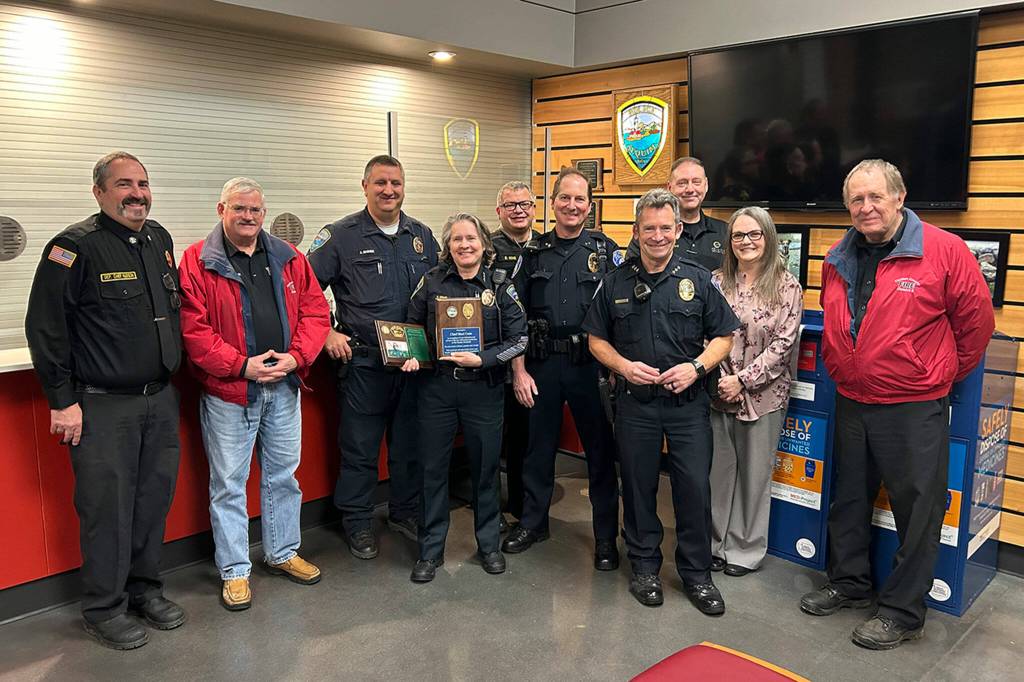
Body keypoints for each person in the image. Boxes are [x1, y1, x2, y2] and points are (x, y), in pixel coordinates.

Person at [800, 159, 994, 649]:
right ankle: (849, 583)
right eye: (856, 200)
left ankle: (903, 612)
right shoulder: (837, 257)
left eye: (875, 197)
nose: (866, 208)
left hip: (912, 407)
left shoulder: (945, 252)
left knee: (918, 511)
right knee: (847, 500)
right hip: (852, 398)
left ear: (899, 197)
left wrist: (935, 374)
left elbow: (976, 327)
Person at [25, 152, 185, 650]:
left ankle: (145, 590)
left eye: (143, 183)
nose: (137, 193)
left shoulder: (158, 238)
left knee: (151, 503)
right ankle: (103, 607)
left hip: (158, 400)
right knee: (107, 510)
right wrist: (61, 399)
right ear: (99, 192)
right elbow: (45, 327)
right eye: (124, 184)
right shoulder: (72, 248)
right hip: (101, 406)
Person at [583, 188, 739, 613]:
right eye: (648, 228)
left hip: (688, 405)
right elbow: (595, 339)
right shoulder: (614, 282)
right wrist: (622, 366)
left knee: (693, 489)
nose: (657, 236)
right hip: (635, 405)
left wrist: (697, 368)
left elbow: (724, 336)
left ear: (677, 229)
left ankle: (697, 575)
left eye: (665, 228)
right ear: (636, 231)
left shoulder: (699, 278)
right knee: (637, 488)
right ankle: (645, 568)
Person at [178, 177, 331, 611]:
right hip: (230, 393)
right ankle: (235, 571)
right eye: (239, 209)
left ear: (264, 214)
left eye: (256, 210)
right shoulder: (196, 261)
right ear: (221, 209)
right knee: (228, 484)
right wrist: (240, 366)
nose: (248, 217)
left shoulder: (287, 257)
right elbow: (194, 329)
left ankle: (282, 552)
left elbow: (316, 312)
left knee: (284, 476)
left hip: (284, 387)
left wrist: (296, 357)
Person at [307, 155, 439, 559]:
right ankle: (358, 523)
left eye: (395, 183)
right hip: (364, 365)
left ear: (404, 186)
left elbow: (440, 290)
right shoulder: (340, 236)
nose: (388, 190)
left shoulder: (422, 235)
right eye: (380, 182)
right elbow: (304, 289)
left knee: (408, 447)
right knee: (360, 449)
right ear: (364, 185)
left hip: (414, 364)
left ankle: (404, 511)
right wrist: (326, 332)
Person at [503, 167, 621, 571]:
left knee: (601, 454)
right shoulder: (531, 254)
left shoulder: (607, 252)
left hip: (592, 367)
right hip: (542, 364)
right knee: (537, 450)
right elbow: (513, 318)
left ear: (590, 206)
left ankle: (606, 538)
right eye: (564, 198)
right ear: (552, 203)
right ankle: (533, 523)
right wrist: (518, 371)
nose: (572, 206)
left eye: (580, 199)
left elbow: (622, 315)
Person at [401, 213, 528, 582]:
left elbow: (519, 339)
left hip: (483, 390)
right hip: (436, 390)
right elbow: (411, 329)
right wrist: (410, 354)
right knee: (432, 472)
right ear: (448, 246)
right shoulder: (431, 282)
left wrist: (484, 359)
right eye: (456, 239)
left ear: (484, 244)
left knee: (486, 471)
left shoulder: (500, 285)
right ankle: (430, 552)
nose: (464, 245)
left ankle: (489, 545)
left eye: (471, 238)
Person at [709, 206, 803, 577]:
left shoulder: (787, 285)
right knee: (718, 474)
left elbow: (783, 345)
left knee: (754, 477)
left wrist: (742, 380)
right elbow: (705, 333)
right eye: (738, 235)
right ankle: (714, 543)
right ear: (729, 242)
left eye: (754, 234)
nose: (746, 242)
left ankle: (744, 550)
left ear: (768, 237)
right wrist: (721, 378)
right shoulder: (716, 282)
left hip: (764, 396)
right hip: (718, 392)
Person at [491, 181, 540, 528]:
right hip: (495, 357)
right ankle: (491, 509)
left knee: (528, 435)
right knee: (494, 436)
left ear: (535, 207)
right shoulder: (486, 247)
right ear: (499, 211)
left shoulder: (545, 246)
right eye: (510, 205)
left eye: (524, 204)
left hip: (538, 355)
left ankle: (524, 506)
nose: (518, 210)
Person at [625, 157, 728, 271]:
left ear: (706, 185)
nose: (690, 189)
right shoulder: (652, 235)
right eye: (682, 183)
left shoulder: (725, 231)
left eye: (696, 182)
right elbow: (630, 276)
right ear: (669, 188)